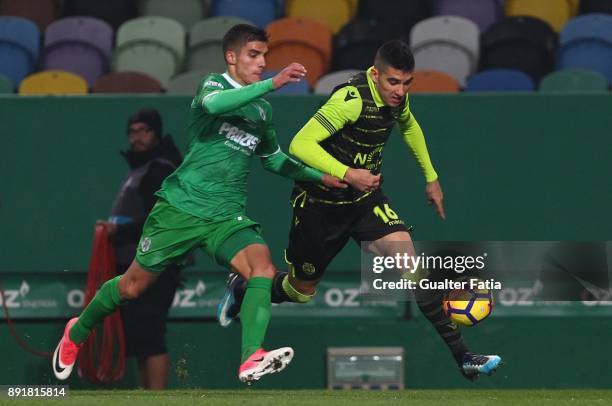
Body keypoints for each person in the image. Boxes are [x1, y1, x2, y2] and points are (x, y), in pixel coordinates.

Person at [52, 24, 345, 384]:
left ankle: (251, 356)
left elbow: (274, 159)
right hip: (181, 208)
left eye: (265, 56)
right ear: (231, 57)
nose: (262, 62)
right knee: (130, 288)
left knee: (262, 268)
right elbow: (214, 105)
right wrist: (273, 82)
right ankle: (77, 332)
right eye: (254, 54)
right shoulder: (213, 85)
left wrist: (321, 177)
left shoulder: (263, 111)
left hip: (225, 215)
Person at [218, 40, 502, 381]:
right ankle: (240, 288)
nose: (399, 91)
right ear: (374, 74)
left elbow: (409, 125)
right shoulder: (349, 100)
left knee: (410, 267)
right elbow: (299, 145)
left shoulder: (398, 101)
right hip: (320, 208)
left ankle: (464, 356)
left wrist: (431, 177)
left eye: (406, 83)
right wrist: (349, 173)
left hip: (366, 202)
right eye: (392, 82)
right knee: (299, 291)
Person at [96, 109, 183, 389]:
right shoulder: (139, 168)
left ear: (155, 133)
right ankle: (146, 394)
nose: (137, 137)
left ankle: (155, 397)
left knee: (151, 333)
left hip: (155, 263)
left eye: (143, 130)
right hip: (134, 262)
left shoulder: (160, 168)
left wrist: (119, 230)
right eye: (132, 131)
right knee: (139, 334)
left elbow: (162, 218)